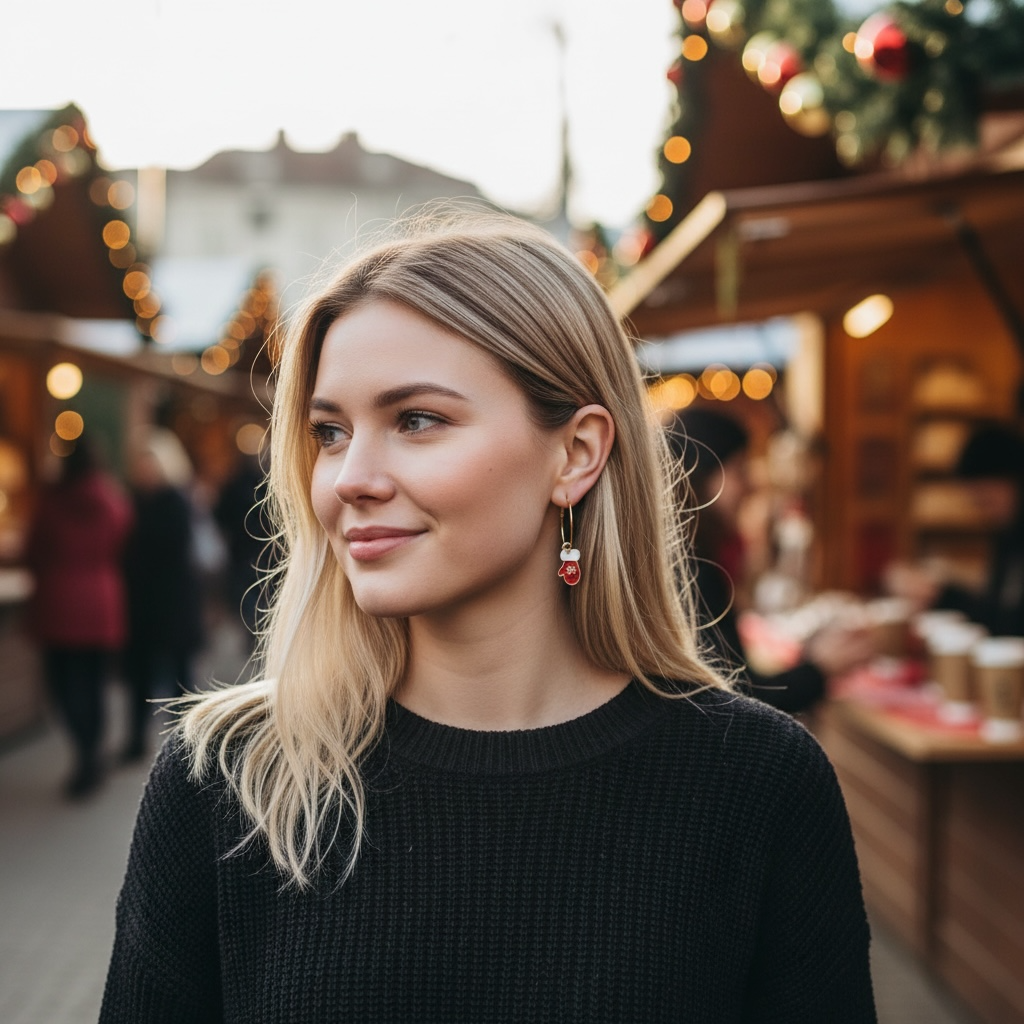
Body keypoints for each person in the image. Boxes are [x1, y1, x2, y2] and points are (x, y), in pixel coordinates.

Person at [101, 214, 876, 1022]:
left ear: (576, 453)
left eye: (417, 420)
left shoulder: (757, 784)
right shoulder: (227, 779)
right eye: (330, 432)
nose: (350, 478)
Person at [667, 407, 875, 712]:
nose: (752, 485)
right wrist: (818, 669)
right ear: (700, 477)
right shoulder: (692, 571)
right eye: (739, 469)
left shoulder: (681, 559)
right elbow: (736, 700)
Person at [24, 434, 132, 798]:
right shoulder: (114, 502)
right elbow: (123, 540)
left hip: (58, 603)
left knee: (62, 686)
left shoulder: (51, 502)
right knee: (95, 685)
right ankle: (92, 754)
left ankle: (85, 752)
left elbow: (33, 548)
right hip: (102, 601)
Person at [886, 421, 1024, 636]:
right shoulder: (1006, 536)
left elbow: (1009, 625)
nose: (984, 513)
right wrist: (939, 594)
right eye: (978, 503)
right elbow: (992, 615)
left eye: (987, 500)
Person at [120, 427, 205, 762]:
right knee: (140, 675)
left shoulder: (176, 502)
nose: (145, 471)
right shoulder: (132, 501)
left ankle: (182, 741)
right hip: (141, 604)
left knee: (178, 675)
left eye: (151, 464)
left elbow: (173, 552)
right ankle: (136, 739)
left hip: (173, 603)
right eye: (141, 465)